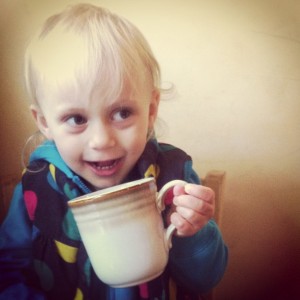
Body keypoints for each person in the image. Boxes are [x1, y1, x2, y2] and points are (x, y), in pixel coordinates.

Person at [0, 3, 228, 300]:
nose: (101, 140)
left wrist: (193, 232)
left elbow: (205, 280)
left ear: (150, 110)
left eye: (121, 113)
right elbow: (8, 269)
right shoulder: (36, 184)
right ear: (45, 123)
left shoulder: (174, 176)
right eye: (77, 119)